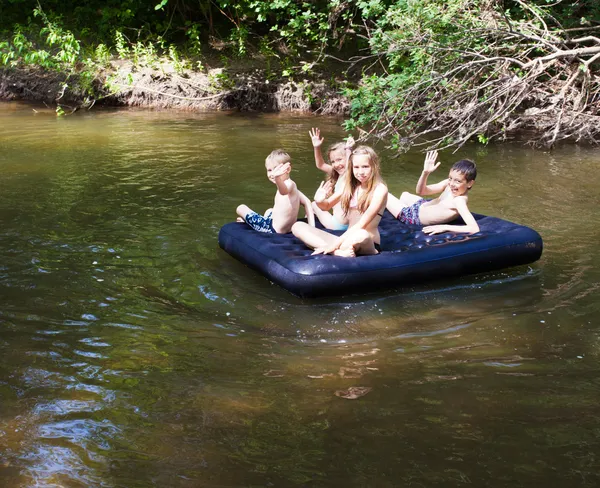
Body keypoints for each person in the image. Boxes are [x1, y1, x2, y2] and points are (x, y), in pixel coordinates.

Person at [292, 145, 388, 257]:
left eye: (365, 167)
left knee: (362, 234)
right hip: (346, 239)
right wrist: (319, 200)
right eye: (356, 167)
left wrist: (334, 244)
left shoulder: (380, 189)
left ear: (374, 166)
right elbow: (326, 206)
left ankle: (331, 248)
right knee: (297, 226)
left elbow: (362, 223)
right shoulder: (350, 186)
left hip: (367, 242)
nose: (360, 172)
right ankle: (338, 253)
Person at [386, 150, 479, 235]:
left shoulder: (459, 201)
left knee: (384, 194)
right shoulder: (448, 184)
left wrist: (445, 227)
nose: (452, 184)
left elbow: (474, 228)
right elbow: (421, 191)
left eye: (457, 181)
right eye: (450, 178)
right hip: (421, 205)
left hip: (412, 217)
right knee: (404, 194)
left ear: (470, 183)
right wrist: (425, 173)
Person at [236, 149, 315, 233]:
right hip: (286, 228)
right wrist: (312, 226)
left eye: (276, 169)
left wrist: (312, 229)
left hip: (273, 229)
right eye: (269, 170)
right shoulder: (293, 186)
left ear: (287, 169)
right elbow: (307, 202)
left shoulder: (289, 184)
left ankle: (250, 223)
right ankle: (252, 222)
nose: (272, 174)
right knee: (269, 211)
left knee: (241, 208)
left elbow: (283, 191)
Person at [308, 127, 354, 230]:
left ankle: (311, 226)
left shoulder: (349, 175)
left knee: (313, 204)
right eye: (333, 161)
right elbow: (320, 165)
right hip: (341, 222)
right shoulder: (338, 174)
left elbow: (349, 166)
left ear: (347, 159)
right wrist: (317, 147)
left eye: (339, 160)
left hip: (337, 225)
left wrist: (348, 150)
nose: (336, 164)